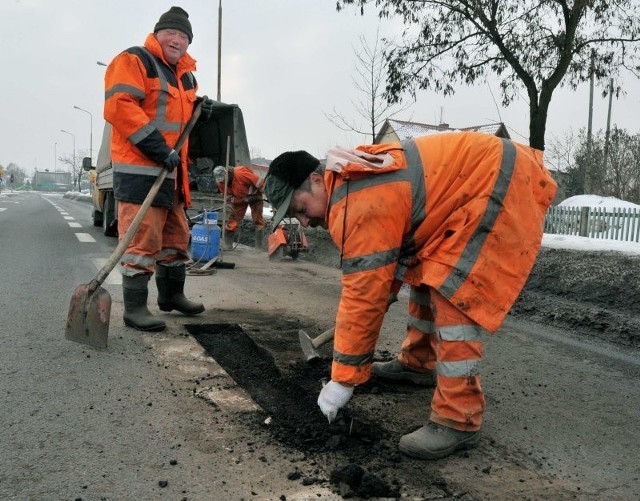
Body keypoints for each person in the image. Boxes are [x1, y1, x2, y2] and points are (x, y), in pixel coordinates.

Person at [264, 132, 557, 460]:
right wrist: (385, 286)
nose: (305, 221)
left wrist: (342, 382)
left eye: (301, 208)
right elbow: (385, 266)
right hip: (472, 187)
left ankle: (459, 418)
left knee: (453, 295)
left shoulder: (355, 203)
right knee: (422, 274)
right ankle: (417, 364)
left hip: (496, 185)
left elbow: (363, 297)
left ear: (317, 181)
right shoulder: (346, 180)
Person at [104, 6, 215, 332]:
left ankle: (171, 296)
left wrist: (199, 109)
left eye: (184, 36)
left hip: (173, 175)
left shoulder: (186, 75)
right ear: (157, 33)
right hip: (142, 172)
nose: (177, 40)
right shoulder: (135, 60)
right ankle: (135, 309)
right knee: (142, 242)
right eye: (172, 33)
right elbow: (119, 106)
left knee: (175, 240)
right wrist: (157, 148)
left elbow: (174, 120)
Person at [213, 165, 265, 249]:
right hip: (240, 199)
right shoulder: (220, 183)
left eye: (223, 180)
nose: (222, 182)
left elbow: (260, 182)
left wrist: (259, 194)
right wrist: (242, 200)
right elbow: (228, 198)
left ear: (227, 175)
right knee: (233, 220)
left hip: (255, 196)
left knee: (258, 220)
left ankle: (259, 247)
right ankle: (227, 245)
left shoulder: (240, 174)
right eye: (221, 181)